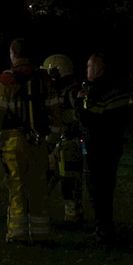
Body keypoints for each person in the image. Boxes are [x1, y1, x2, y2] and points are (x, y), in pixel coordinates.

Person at [0, 38, 62, 242]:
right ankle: (41, 233)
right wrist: (51, 139)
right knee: (38, 188)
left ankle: (17, 233)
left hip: (14, 142)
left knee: (17, 186)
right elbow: (56, 112)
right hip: (40, 141)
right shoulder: (44, 80)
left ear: (13, 54)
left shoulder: (6, 82)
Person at [77, 52, 133, 243]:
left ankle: (103, 228)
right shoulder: (118, 88)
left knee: (97, 186)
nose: (87, 70)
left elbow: (89, 119)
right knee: (107, 186)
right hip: (113, 144)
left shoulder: (97, 90)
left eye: (89, 66)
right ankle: (105, 225)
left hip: (98, 145)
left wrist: (79, 102)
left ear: (99, 68)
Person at [42, 54, 83, 224]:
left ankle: (73, 215)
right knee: (46, 178)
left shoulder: (73, 92)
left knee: (69, 182)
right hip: (55, 142)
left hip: (69, 143)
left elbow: (80, 116)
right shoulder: (56, 91)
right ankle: (39, 212)